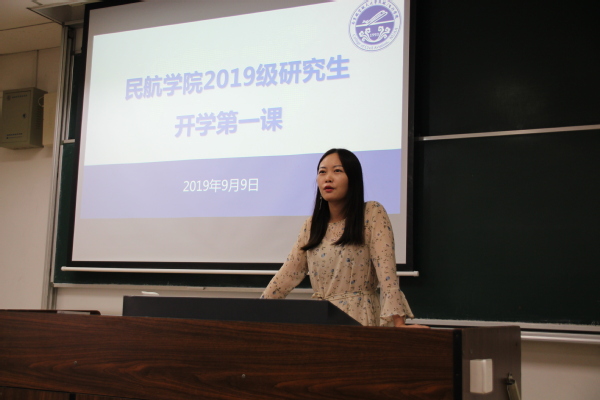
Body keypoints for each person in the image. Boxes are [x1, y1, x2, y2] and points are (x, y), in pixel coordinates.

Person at [261, 148, 427, 328]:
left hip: (359, 319)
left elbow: (387, 275)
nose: (328, 178)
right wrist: (256, 312)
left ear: (353, 179)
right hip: (320, 320)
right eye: (322, 172)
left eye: (337, 171)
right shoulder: (312, 225)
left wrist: (399, 324)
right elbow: (287, 275)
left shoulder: (372, 213)